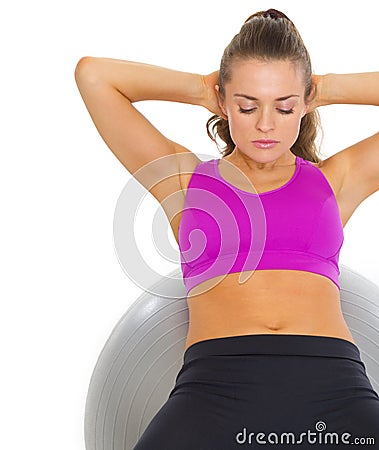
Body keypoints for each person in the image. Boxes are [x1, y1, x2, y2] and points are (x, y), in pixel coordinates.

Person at [75, 8, 379, 449]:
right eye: (247, 104)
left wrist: (324, 87)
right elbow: (94, 76)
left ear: (304, 103)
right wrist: (200, 88)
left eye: (285, 105)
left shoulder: (335, 180)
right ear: (224, 101)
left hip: (333, 383)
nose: (265, 124)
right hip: (215, 387)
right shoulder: (185, 181)